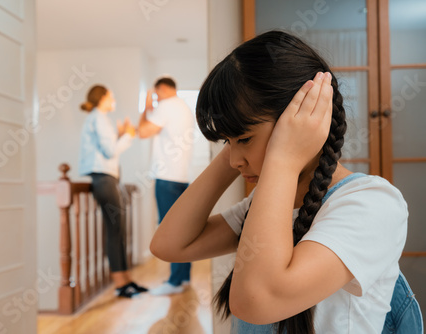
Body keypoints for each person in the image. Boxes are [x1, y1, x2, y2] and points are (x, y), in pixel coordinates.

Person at [150, 31, 416, 333]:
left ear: (301, 119)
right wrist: (237, 144)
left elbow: (257, 302)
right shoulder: (263, 207)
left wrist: (284, 157)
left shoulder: (371, 203)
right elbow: (169, 245)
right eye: (227, 142)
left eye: (244, 139)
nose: (234, 159)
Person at [79, 85, 148, 298]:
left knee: (118, 230)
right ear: (102, 98)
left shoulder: (99, 118)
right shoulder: (98, 118)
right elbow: (109, 151)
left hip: (107, 178)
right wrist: (127, 136)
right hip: (103, 178)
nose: (114, 99)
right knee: (115, 229)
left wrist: (119, 135)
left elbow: (107, 147)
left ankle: (126, 280)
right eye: (111, 96)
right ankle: (120, 284)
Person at [138, 77, 195, 296]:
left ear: (161, 89)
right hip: (182, 176)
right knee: (182, 228)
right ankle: (183, 277)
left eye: (155, 93)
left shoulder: (165, 106)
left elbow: (142, 132)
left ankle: (174, 281)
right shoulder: (183, 107)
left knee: (168, 229)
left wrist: (146, 107)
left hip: (166, 176)